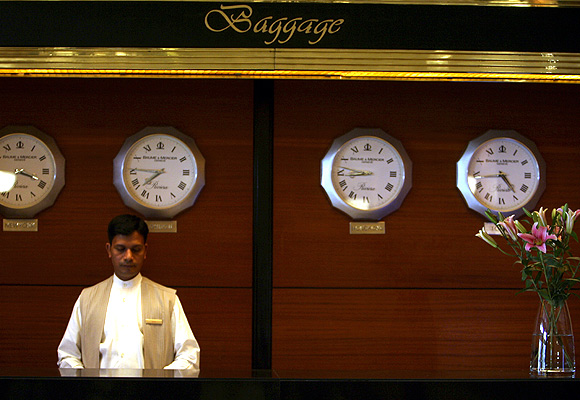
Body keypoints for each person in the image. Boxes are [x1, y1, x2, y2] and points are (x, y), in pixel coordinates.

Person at [57, 214, 200, 370]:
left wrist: (159, 383)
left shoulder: (167, 299)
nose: (128, 257)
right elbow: (67, 354)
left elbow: (189, 356)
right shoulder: (87, 298)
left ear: (145, 251)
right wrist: (89, 384)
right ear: (109, 250)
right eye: (121, 249)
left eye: (135, 250)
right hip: (99, 392)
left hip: (151, 393)